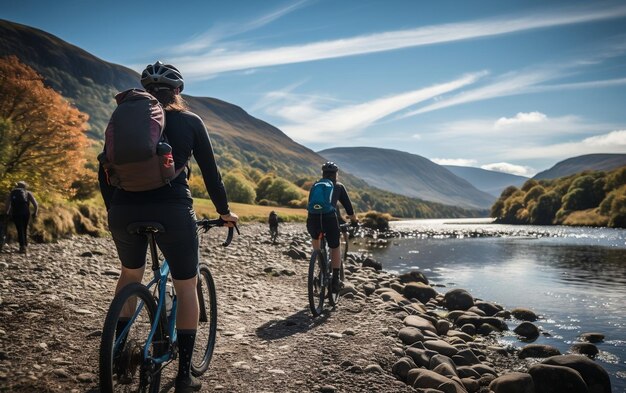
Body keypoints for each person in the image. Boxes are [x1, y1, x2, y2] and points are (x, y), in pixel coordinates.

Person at [98, 61, 238, 392]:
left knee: (130, 275)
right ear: (178, 91)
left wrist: (115, 209)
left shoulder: (124, 123)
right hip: (172, 211)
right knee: (186, 286)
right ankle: (184, 376)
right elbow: (211, 174)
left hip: (123, 211)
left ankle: (116, 354)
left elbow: (104, 170)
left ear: (145, 91)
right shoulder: (190, 121)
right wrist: (225, 211)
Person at [306, 162, 357, 293]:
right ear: (336, 175)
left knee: (315, 237)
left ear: (323, 174)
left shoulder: (315, 186)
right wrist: (354, 221)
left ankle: (318, 262)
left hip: (313, 219)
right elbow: (349, 209)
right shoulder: (338, 186)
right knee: (335, 246)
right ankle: (335, 279)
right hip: (329, 219)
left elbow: (311, 205)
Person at [5, 181, 38, 254]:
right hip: (26, 213)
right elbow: (35, 204)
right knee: (24, 228)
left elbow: (7, 204)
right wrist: (35, 213)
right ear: (24, 187)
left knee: (19, 229)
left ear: (17, 186)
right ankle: (24, 246)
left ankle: (22, 246)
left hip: (16, 213)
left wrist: (7, 213)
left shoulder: (12, 193)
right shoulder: (28, 193)